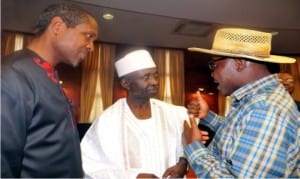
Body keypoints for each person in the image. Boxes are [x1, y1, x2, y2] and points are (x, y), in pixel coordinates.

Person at [184, 28, 299, 178]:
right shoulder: (255, 101)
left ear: (238, 63)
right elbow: (238, 133)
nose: (212, 73)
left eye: (213, 65)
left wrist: (194, 147)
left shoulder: (266, 109)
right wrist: (208, 116)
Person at [1, 3, 98, 178]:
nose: (91, 46)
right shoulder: (12, 73)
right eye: (88, 36)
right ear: (57, 27)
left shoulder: (47, 74)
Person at [81, 49, 202, 178]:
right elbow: (89, 167)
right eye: (146, 77)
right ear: (126, 83)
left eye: (155, 75)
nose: (154, 82)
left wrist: (183, 163)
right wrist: (134, 177)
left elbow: (192, 143)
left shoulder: (174, 114)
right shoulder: (108, 121)